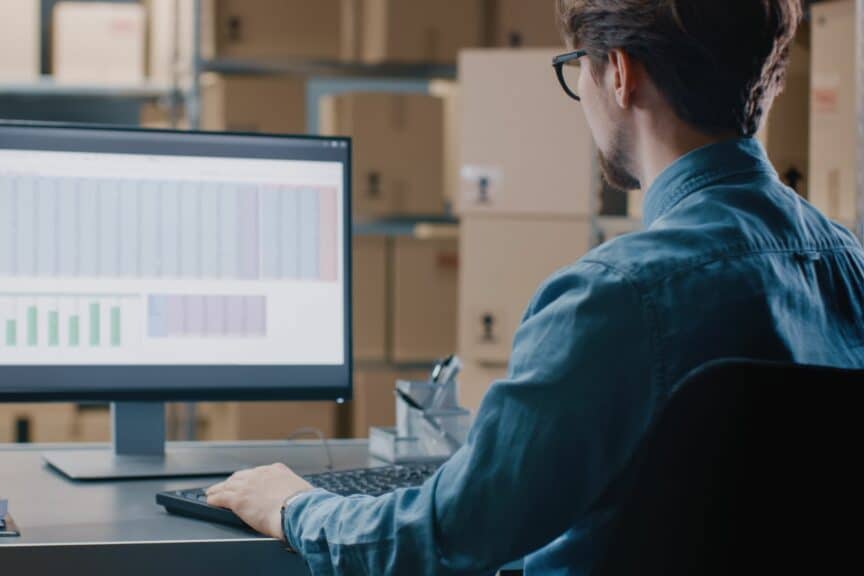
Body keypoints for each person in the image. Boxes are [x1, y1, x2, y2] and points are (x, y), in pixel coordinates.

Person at [205, 0, 864, 573]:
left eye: (578, 66)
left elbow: (445, 539)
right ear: (768, 80)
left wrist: (294, 507)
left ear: (619, 72)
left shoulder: (614, 298)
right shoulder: (851, 268)